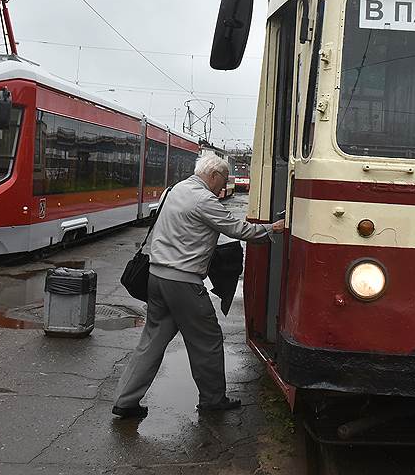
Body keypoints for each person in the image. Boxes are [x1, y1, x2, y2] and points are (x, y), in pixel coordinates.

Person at [112, 154, 286, 419]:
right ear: (213, 175)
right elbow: (237, 229)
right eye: (223, 180)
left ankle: (125, 401)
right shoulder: (204, 200)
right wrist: (272, 229)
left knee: (152, 340)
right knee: (208, 339)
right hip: (182, 282)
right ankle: (213, 400)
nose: (222, 187)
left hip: (156, 278)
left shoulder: (174, 190)